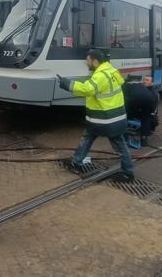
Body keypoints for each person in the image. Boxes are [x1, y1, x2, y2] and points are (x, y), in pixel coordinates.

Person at [57, 49, 134, 181]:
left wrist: (67, 84)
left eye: (88, 61)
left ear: (95, 61)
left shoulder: (101, 75)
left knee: (106, 141)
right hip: (114, 116)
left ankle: (128, 173)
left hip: (105, 119)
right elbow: (120, 83)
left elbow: (88, 89)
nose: (87, 63)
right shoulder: (111, 70)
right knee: (95, 138)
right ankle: (77, 161)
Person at [124, 75, 159, 146]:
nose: (144, 81)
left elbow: (153, 110)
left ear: (152, 83)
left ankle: (125, 135)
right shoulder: (143, 89)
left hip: (150, 114)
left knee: (146, 118)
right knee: (145, 118)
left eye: (147, 80)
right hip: (142, 111)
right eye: (144, 80)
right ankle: (143, 138)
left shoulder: (154, 94)